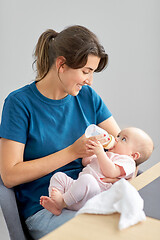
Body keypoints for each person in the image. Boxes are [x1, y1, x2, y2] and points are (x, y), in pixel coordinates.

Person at [0, 25, 121, 239]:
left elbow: (121, 143)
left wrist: (113, 160)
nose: (89, 81)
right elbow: (9, 175)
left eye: (92, 73)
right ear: (61, 64)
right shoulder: (19, 104)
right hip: (47, 208)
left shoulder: (88, 97)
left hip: (91, 195)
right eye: (85, 72)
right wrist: (73, 152)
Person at [40, 127, 153, 215]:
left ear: (134, 155)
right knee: (58, 176)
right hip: (77, 189)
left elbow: (111, 172)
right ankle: (55, 203)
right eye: (118, 136)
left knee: (87, 179)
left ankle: (62, 202)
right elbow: (86, 162)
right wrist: (91, 151)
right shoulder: (107, 154)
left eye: (123, 139)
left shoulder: (127, 162)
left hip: (93, 195)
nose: (116, 139)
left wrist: (100, 153)